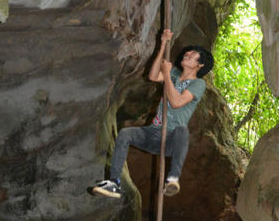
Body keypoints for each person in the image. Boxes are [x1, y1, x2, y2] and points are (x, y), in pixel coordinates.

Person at [91, 29, 213, 199]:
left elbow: (176, 103)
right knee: (125, 134)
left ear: (200, 65)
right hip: (153, 133)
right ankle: (114, 183)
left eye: (193, 54)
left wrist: (168, 77)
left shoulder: (198, 84)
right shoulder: (175, 73)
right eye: (188, 52)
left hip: (171, 139)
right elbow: (154, 75)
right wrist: (163, 44)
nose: (187, 53)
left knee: (182, 131)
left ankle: (172, 178)